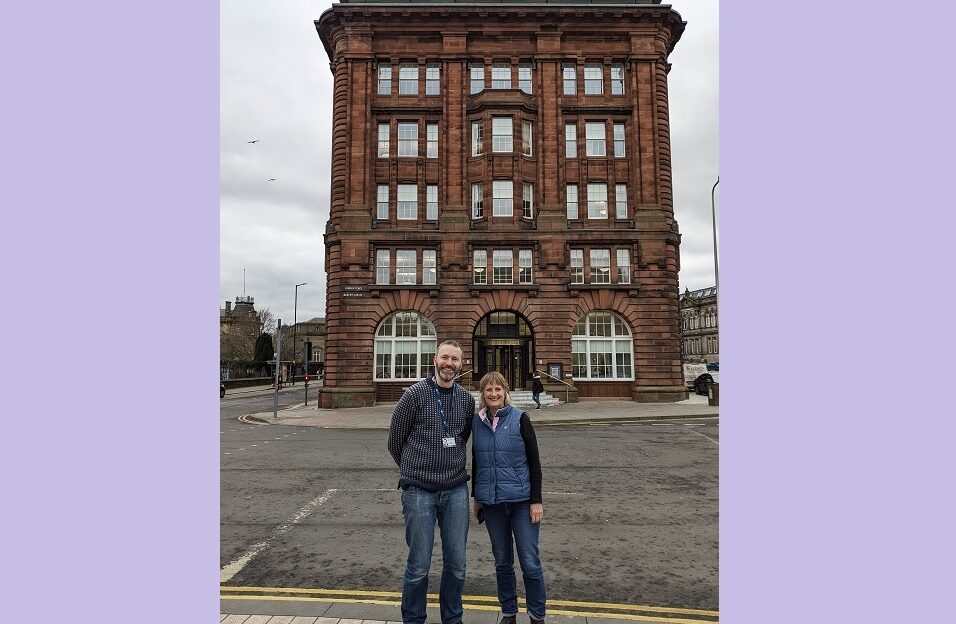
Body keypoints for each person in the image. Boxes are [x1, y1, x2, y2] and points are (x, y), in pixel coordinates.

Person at [388, 340, 476, 624]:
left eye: (455, 359)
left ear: (461, 364)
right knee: (419, 565)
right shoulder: (413, 395)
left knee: (458, 564)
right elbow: (395, 441)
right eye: (445, 358)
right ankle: (413, 619)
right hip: (419, 492)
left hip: (455, 490)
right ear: (435, 360)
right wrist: (415, 471)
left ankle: (453, 618)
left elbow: (462, 437)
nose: (449, 363)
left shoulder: (466, 399)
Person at [471, 371, 547, 624]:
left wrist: (536, 500)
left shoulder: (520, 418)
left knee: (530, 562)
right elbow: (477, 461)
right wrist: (477, 497)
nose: (493, 394)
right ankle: (509, 612)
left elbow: (534, 460)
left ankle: (537, 615)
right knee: (502, 562)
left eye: (498, 389)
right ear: (482, 394)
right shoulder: (477, 421)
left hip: (521, 502)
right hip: (492, 504)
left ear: (506, 392)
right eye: (488, 390)